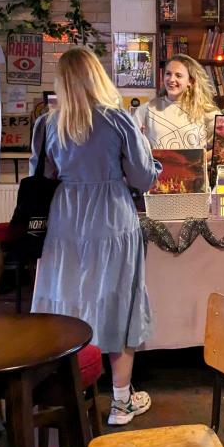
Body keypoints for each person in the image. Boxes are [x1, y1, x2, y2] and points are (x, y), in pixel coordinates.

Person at [29, 48, 161, 426]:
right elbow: (141, 178)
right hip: (112, 218)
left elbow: (44, 177)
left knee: (66, 301)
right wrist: (156, 166)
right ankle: (120, 403)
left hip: (66, 218)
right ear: (97, 76)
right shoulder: (118, 120)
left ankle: (67, 392)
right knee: (119, 299)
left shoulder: (48, 125)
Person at [134, 54, 221, 150]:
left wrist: (201, 159)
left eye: (178, 75)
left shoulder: (207, 111)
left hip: (195, 165)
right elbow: (131, 144)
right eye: (168, 74)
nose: (171, 79)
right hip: (157, 165)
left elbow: (220, 149)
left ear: (190, 81)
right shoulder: (147, 109)